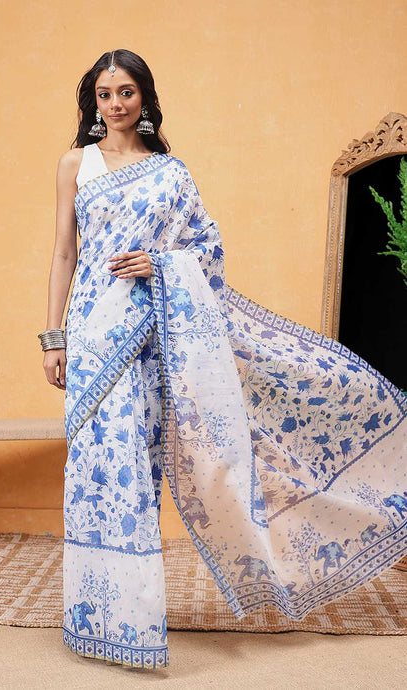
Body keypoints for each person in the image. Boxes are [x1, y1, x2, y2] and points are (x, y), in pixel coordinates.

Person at [38, 49, 407, 670]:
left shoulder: (171, 173)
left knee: (135, 470)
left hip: (151, 335)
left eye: (126, 92)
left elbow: (207, 250)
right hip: (93, 335)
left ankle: (132, 624)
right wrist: (54, 338)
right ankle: (93, 617)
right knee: (95, 471)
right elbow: (62, 254)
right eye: (104, 94)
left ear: (145, 98)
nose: (115, 104)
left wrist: (161, 264)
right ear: (92, 102)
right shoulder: (76, 163)